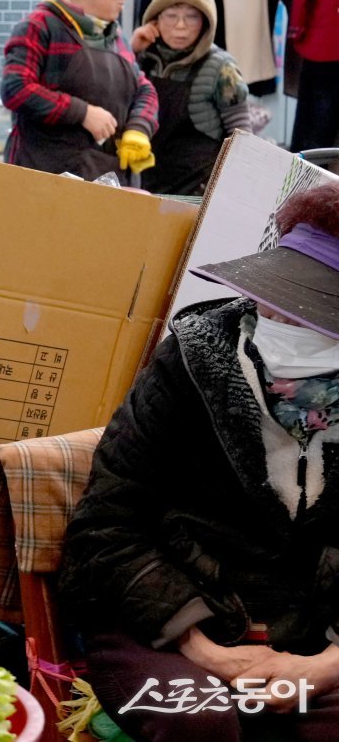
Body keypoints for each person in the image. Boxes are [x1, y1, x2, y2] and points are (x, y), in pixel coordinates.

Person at [61, 183, 339, 740]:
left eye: (312, 309)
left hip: (313, 631)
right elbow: (106, 527)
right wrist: (206, 650)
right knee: (199, 720)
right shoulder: (191, 362)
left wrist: (322, 668)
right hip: (169, 617)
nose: (283, 318)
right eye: (277, 297)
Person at [2, 0, 159, 181]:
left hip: (106, 176)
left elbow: (144, 89)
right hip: (44, 179)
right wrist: (83, 113)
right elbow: (16, 88)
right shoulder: (41, 26)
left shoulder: (113, 34)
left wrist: (139, 129)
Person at [128, 0, 253, 196]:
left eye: (192, 17)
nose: (180, 26)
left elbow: (243, 139)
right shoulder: (142, 58)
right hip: (148, 186)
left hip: (199, 191)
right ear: (154, 20)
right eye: (171, 16)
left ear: (205, 22)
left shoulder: (221, 67)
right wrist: (132, 51)